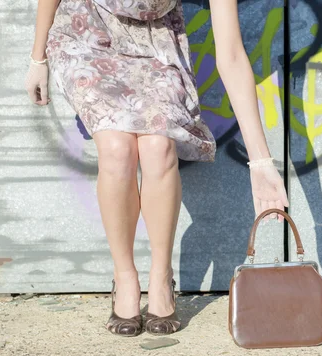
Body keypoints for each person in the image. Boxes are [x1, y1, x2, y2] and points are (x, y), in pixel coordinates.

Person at [24, 0, 289, 337]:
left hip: (156, 40)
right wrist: (38, 58)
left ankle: (161, 277)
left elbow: (232, 56)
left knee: (159, 147)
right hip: (86, 31)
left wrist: (261, 162)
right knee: (117, 149)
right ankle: (124, 278)